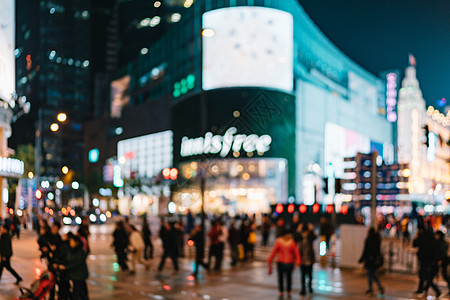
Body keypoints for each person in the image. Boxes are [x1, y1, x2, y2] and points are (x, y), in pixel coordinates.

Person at [267, 228, 301, 300]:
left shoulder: (292, 242)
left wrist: (298, 260)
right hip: (281, 262)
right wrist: (270, 259)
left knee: (288, 278)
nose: (288, 236)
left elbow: (296, 252)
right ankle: (281, 291)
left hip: (289, 262)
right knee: (281, 278)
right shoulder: (279, 242)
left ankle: (288, 291)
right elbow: (274, 251)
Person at [413, 223, 441, 297]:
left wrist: (416, 236)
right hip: (431, 259)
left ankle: (437, 291)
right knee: (423, 275)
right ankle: (421, 289)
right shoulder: (431, 236)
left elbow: (415, 243)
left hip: (424, 258)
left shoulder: (422, 236)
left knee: (425, 275)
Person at [58, 234, 89, 300]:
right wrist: (60, 264)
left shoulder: (80, 251)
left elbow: (76, 263)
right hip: (74, 275)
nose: (70, 243)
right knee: (79, 292)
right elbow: (67, 259)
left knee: (76, 293)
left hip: (79, 275)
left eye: (72, 241)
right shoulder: (70, 250)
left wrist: (66, 267)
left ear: (76, 242)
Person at [358, 228, 384, 296]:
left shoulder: (368, 240)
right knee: (372, 275)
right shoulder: (377, 240)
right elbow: (378, 251)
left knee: (370, 275)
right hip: (374, 261)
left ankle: (371, 289)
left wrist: (361, 259)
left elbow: (365, 250)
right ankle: (379, 287)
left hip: (369, 260)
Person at [296, 223, 316, 295]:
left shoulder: (310, 237)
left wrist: (311, 229)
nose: (305, 233)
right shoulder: (300, 238)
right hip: (302, 260)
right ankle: (303, 289)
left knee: (310, 275)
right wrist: (298, 229)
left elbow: (314, 237)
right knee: (303, 275)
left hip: (310, 259)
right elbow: (295, 237)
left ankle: (310, 288)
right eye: (304, 231)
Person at [435, 231, 450, 296]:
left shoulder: (441, 243)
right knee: (444, 275)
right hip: (443, 260)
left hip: (443, 260)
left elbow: (442, 253)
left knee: (445, 275)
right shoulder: (443, 243)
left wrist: (440, 259)